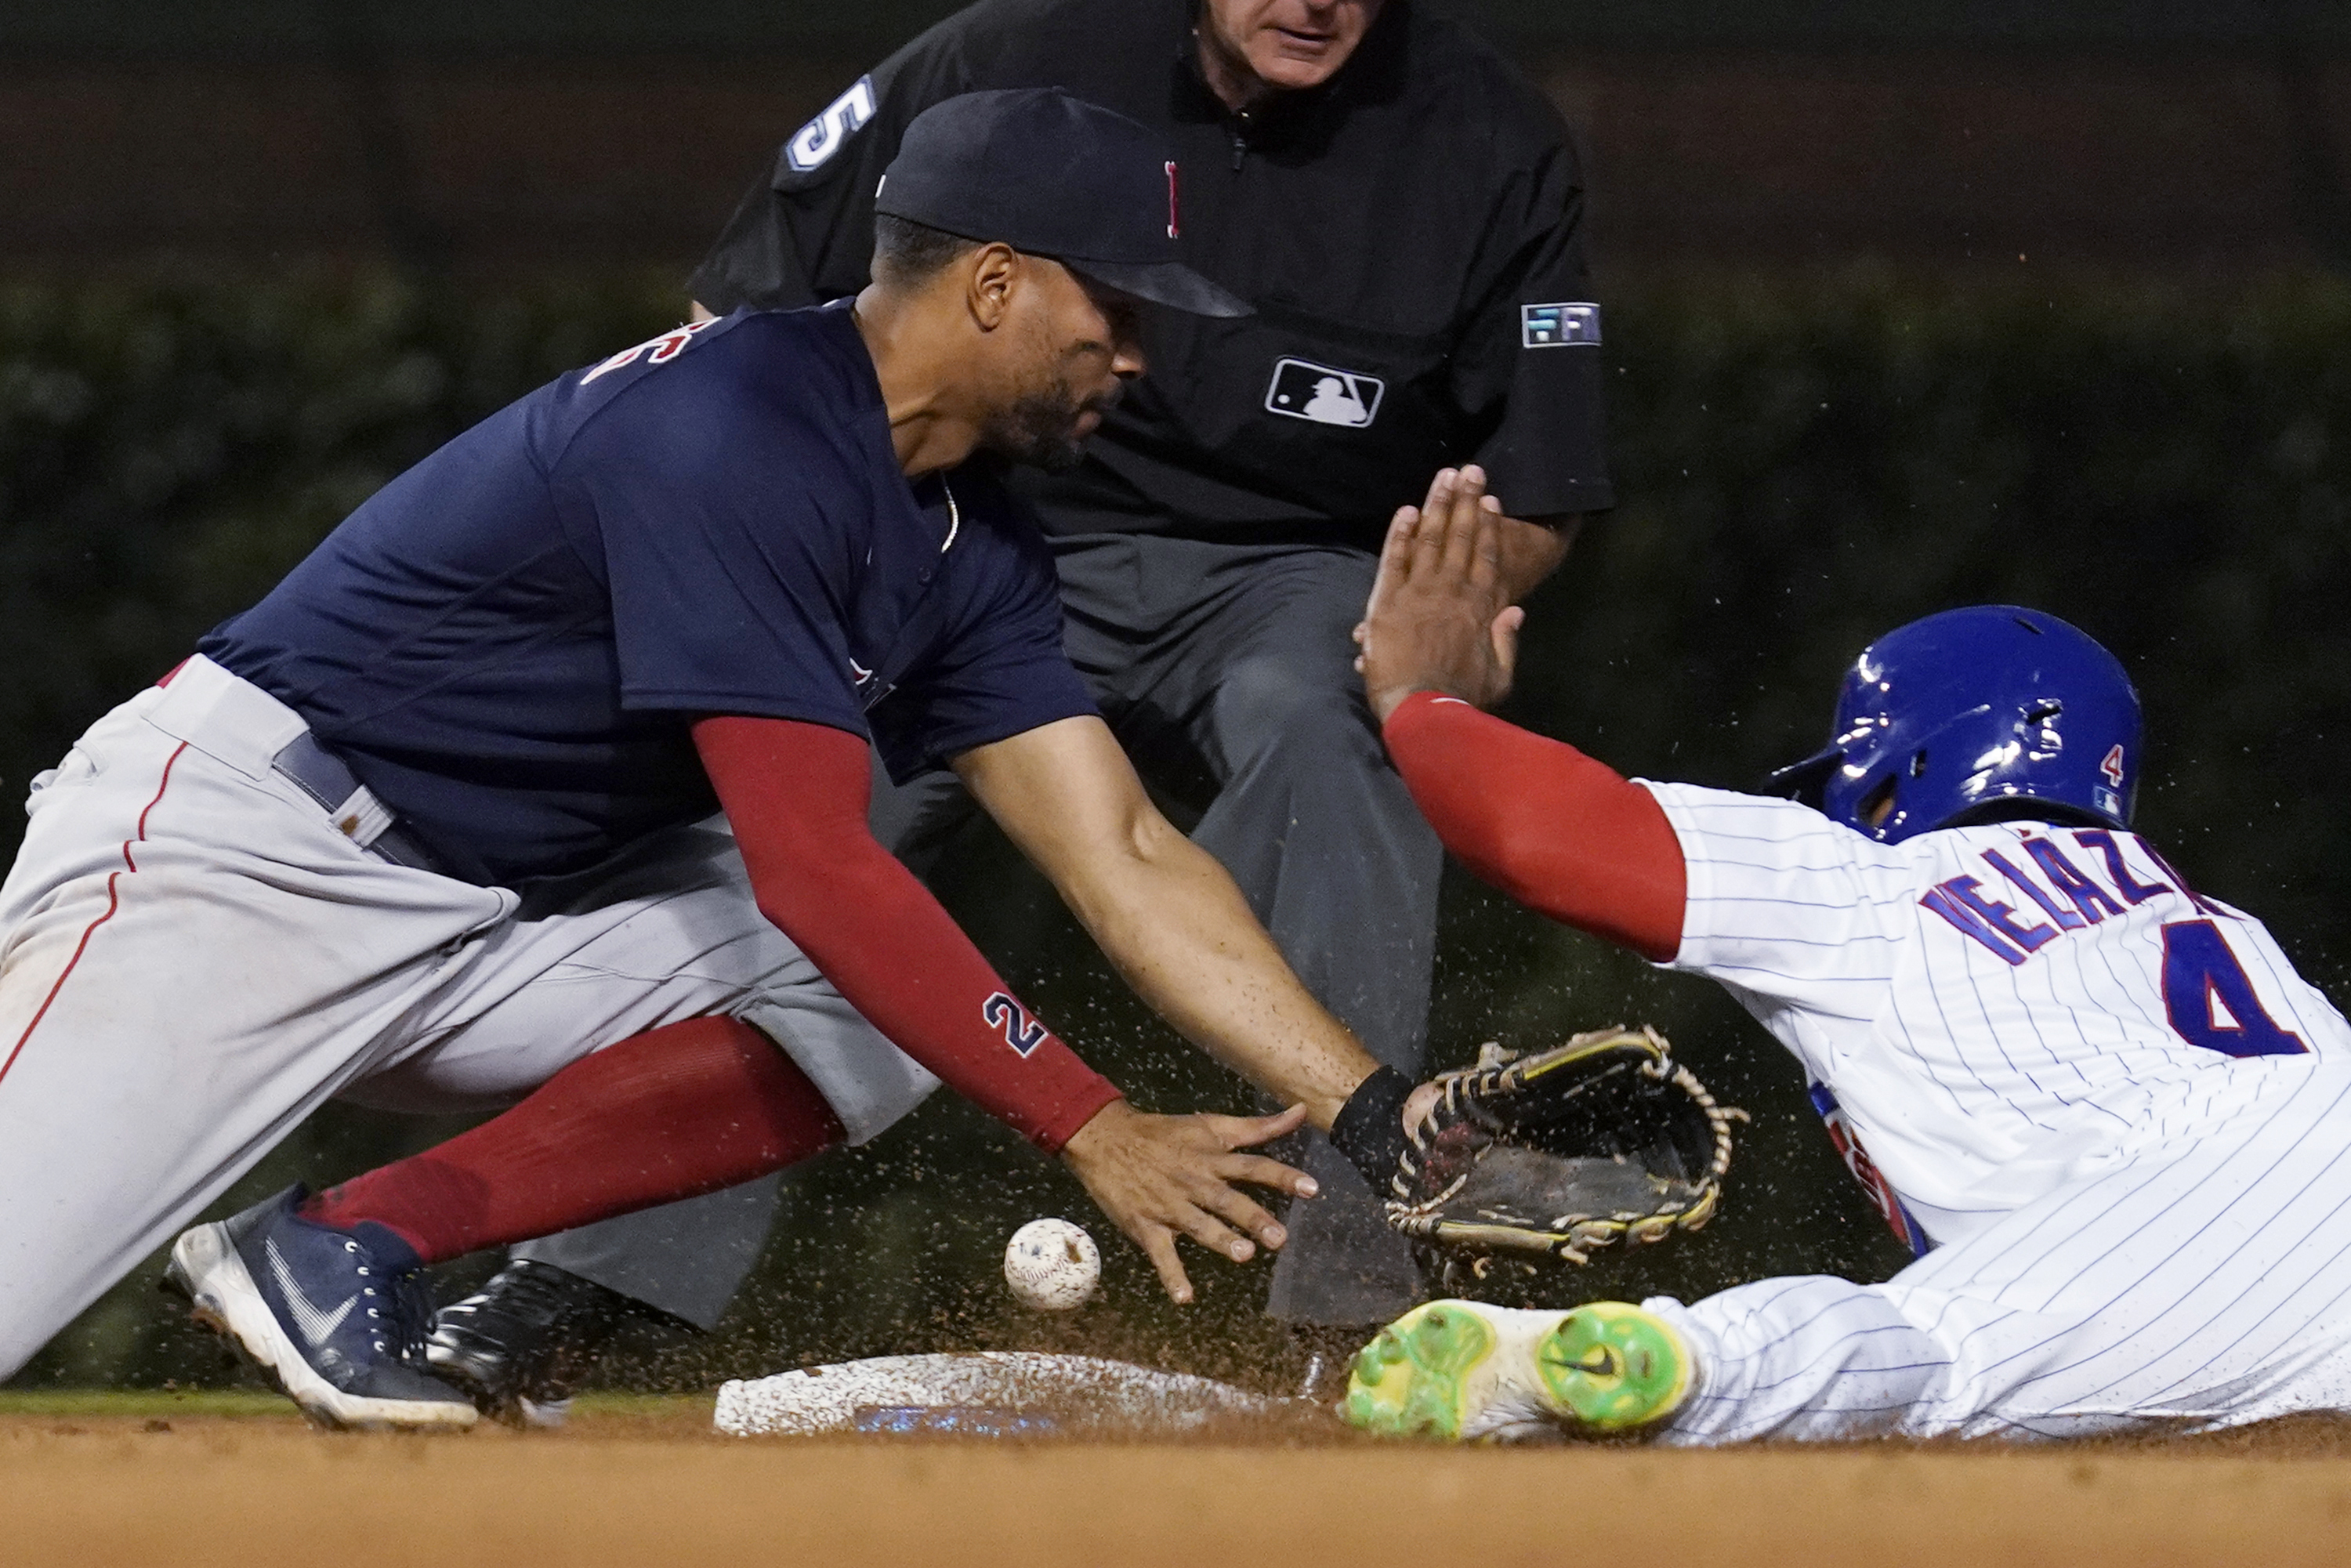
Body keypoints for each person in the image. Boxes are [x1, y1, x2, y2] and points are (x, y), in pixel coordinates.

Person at [0, 90, 1430, 1432]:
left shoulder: (970, 539)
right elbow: (815, 864)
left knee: (869, 1015)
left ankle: (349, 1242)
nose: (1138, 351)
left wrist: (1386, 1115)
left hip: (500, 922)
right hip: (252, 862)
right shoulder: (735, 428)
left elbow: (1121, 853)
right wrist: (1093, 1122)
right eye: (1117, 306)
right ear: (996, 285)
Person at [447, 0, 1614, 1410]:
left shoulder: (1489, 134)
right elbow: (739, 318)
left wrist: (1449, 625)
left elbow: (1535, 483)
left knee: (1330, 728)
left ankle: (1348, 1312)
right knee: (793, 827)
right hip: (970, 529)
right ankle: (585, 1276)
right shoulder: (1004, 54)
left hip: (1284, 579)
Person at [1336, 467, 2351, 1442]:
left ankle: (1666, 1359)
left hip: (2195, 1232)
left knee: (1933, 1351)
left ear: (1899, 769)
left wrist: (1419, 695)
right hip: (2290, 1196)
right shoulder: (2218, 921)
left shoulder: (1884, 889)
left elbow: (1548, 839)